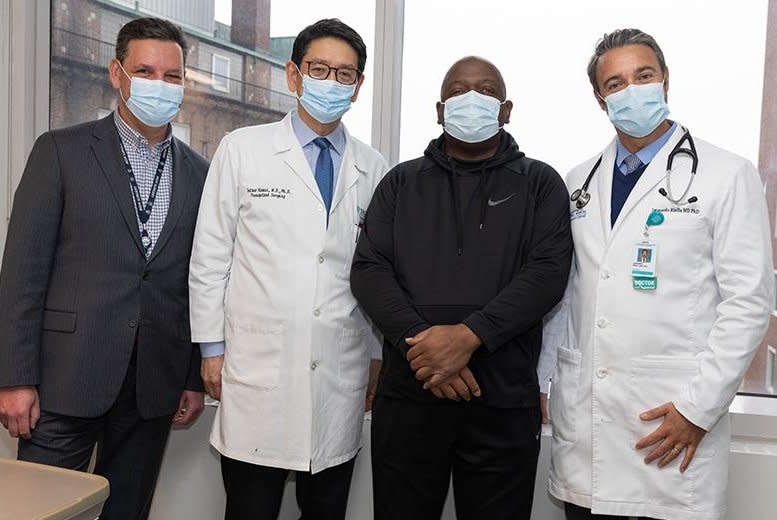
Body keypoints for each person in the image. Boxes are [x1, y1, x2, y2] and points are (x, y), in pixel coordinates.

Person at [542, 28, 774, 520]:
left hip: (675, 422)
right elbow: (567, 294)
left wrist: (698, 409)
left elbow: (749, 303)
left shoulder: (726, 174)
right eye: (616, 82)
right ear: (599, 98)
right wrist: (547, 384)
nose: (632, 91)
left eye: (643, 75)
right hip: (587, 427)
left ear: (666, 79)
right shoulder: (578, 181)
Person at [0, 17, 208, 520]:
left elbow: (196, 281)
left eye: (172, 76)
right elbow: (22, 273)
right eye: (145, 71)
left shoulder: (202, 172)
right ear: (117, 74)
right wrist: (14, 378)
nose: (159, 85)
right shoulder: (61, 151)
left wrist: (191, 376)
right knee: (39, 512)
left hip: (152, 387)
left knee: (129, 512)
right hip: (63, 380)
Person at [350, 56, 572, 520]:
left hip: (503, 404)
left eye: (487, 90)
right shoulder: (401, 182)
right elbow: (369, 269)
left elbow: (547, 274)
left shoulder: (540, 184)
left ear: (506, 110)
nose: (472, 98)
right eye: (458, 89)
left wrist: (467, 338)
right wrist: (429, 350)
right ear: (439, 109)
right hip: (411, 395)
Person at [189, 18, 387, 520]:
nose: (331, 82)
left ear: (359, 87)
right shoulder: (243, 149)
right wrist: (211, 350)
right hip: (258, 370)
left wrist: (376, 354)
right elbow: (211, 257)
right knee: (250, 509)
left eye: (345, 74)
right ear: (293, 75)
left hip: (339, 370)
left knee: (326, 510)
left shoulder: (374, 167)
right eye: (319, 69)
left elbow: (378, 273)